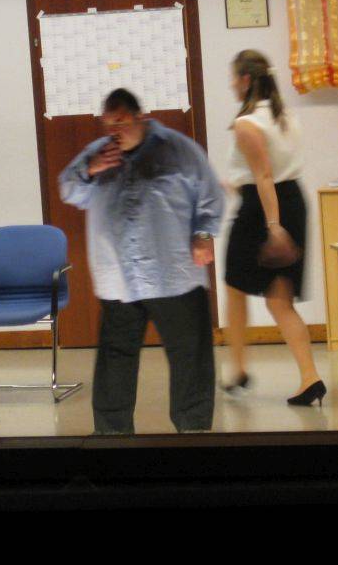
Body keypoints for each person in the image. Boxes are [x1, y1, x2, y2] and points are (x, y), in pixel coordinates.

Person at [59, 88, 224, 434]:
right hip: (119, 278)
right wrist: (90, 168)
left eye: (121, 122)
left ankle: (193, 431)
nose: (114, 130)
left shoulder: (177, 149)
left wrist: (203, 234)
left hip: (174, 274)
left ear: (140, 117)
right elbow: (68, 189)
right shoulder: (98, 152)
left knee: (189, 356)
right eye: (108, 123)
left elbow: (209, 193)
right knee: (115, 359)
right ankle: (112, 433)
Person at [222, 50, 325, 406]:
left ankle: (239, 369)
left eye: (234, 77)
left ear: (246, 79)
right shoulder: (286, 116)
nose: (231, 84)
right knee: (279, 300)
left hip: (264, 210)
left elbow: (264, 176)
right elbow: (271, 172)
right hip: (291, 200)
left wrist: (274, 227)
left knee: (234, 285)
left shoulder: (247, 123)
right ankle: (309, 377)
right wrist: (236, 183)